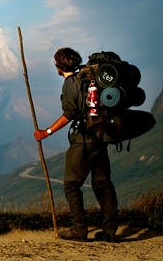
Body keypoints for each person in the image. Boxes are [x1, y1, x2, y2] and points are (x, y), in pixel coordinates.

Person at [34, 47, 118, 242]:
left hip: (83, 140)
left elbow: (69, 114)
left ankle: (79, 229)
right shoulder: (88, 78)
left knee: (71, 184)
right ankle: (110, 230)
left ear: (59, 65)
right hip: (100, 137)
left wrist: (46, 132)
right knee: (103, 184)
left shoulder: (71, 83)